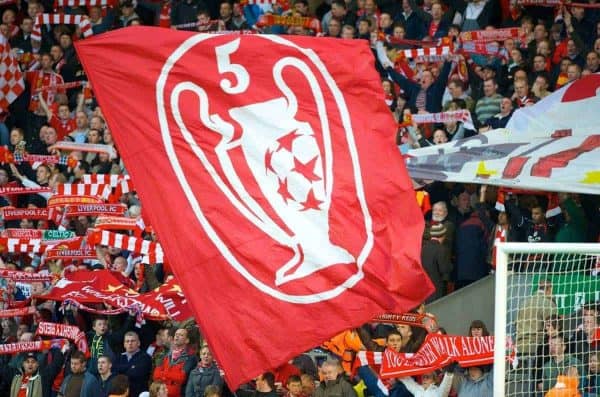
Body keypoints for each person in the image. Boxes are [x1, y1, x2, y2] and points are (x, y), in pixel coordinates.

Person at [515, 279, 558, 363]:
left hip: (520, 345)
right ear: (549, 288)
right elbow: (553, 328)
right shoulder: (548, 303)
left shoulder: (523, 303)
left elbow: (516, 324)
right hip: (538, 347)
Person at [153, 327, 198, 397]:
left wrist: (164, 374)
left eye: (181, 335)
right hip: (162, 394)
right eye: (176, 334)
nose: (177, 336)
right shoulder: (166, 354)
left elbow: (181, 378)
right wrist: (172, 375)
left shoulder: (191, 357)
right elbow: (156, 375)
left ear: (187, 340)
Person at [113, 331, 152, 397]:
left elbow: (136, 374)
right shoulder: (119, 357)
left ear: (138, 343)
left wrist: (121, 370)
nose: (130, 343)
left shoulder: (145, 357)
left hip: (139, 394)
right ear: (124, 344)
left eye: (133, 341)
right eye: (127, 341)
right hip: (121, 394)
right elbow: (114, 372)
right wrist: (131, 366)